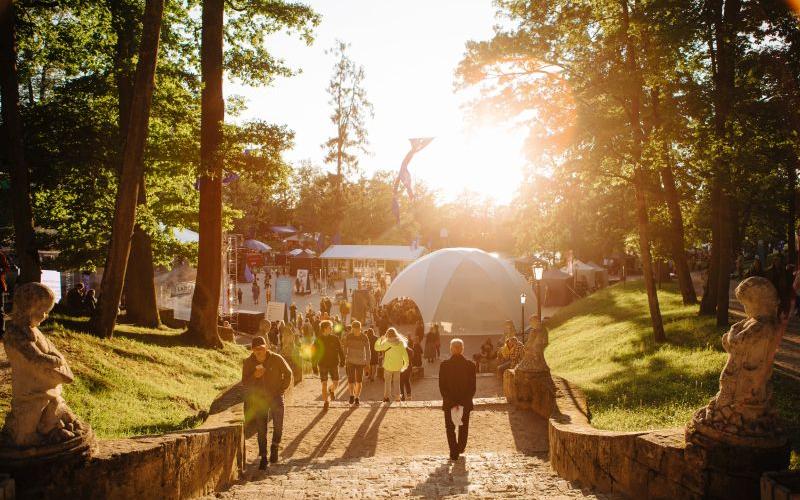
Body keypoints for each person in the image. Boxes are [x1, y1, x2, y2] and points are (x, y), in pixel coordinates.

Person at [242, 336, 292, 470]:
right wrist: (255, 376)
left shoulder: (276, 359)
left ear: (266, 347)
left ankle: (275, 445)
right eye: (256, 349)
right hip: (259, 400)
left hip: (276, 396)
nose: (259, 351)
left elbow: (288, 373)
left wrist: (281, 389)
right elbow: (245, 383)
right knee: (261, 429)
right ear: (252, 350)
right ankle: (263, 456)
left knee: (278, 425)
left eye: (262, 348)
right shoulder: (248, 362)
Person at [439, 338, 476, 460]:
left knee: (450, 427)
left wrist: (450, 400)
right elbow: (472, 387)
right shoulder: (470, 365)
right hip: (464, 401)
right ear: (462, 349)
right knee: (463, 426)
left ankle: (453, 451)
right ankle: (460, 447)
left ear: (451, 349)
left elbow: (442, 386)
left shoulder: (444, 365)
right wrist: (464, 400)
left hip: (450, 402)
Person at [313, 320, 345, 409]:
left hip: (334, 364)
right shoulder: (318, 340)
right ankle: (326, 402)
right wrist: (314, 366)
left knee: (336, 383)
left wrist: (343, 360)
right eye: (330, 327)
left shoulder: (335, 338)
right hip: (322, 364)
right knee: (324, 384)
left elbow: (340, 350)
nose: (331, 329)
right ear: (324, 329)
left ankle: (331, 390)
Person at [374, 327, 409, 402]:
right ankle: (397, 397)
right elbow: (405, 356)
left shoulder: (386, 343)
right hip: (398, 366)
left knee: (387, 382)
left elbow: (376, 348)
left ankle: (386, 397)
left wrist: (380, 339)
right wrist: (405, 365)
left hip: (388, 366)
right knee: (397, 382)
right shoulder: (401, 343)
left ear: (387, 334)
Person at [342, 320, 370, 405]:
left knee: (359, 381)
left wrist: (367, 362)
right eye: (354, 330)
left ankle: (357, 397)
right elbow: (345, 347)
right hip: (350, 361)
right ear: (352, 329)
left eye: (357, 329)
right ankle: (351, 395)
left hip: (360, 362)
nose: (356, 331)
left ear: (360, 328)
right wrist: (345, 357)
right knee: (351, 380)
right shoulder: (349, 336)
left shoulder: (364, 337)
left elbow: (368, 351)